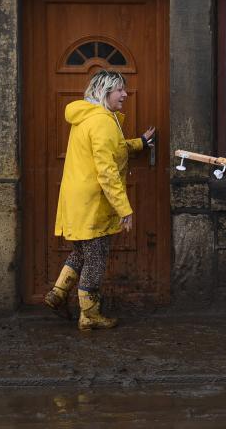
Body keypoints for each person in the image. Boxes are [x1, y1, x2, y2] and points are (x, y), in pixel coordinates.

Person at [44, 69, 156, 331]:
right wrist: (124, 209)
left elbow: (113, 148)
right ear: (106, 92)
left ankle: (58, 293)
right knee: (96, 258)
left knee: (81, 252)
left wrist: (139, 142)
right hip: (93, 201)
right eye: (120, 90)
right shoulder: (103, 122)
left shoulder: (89, 118)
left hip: (77, 198)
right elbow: (106, 171)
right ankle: (90, 314)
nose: (125, 95)